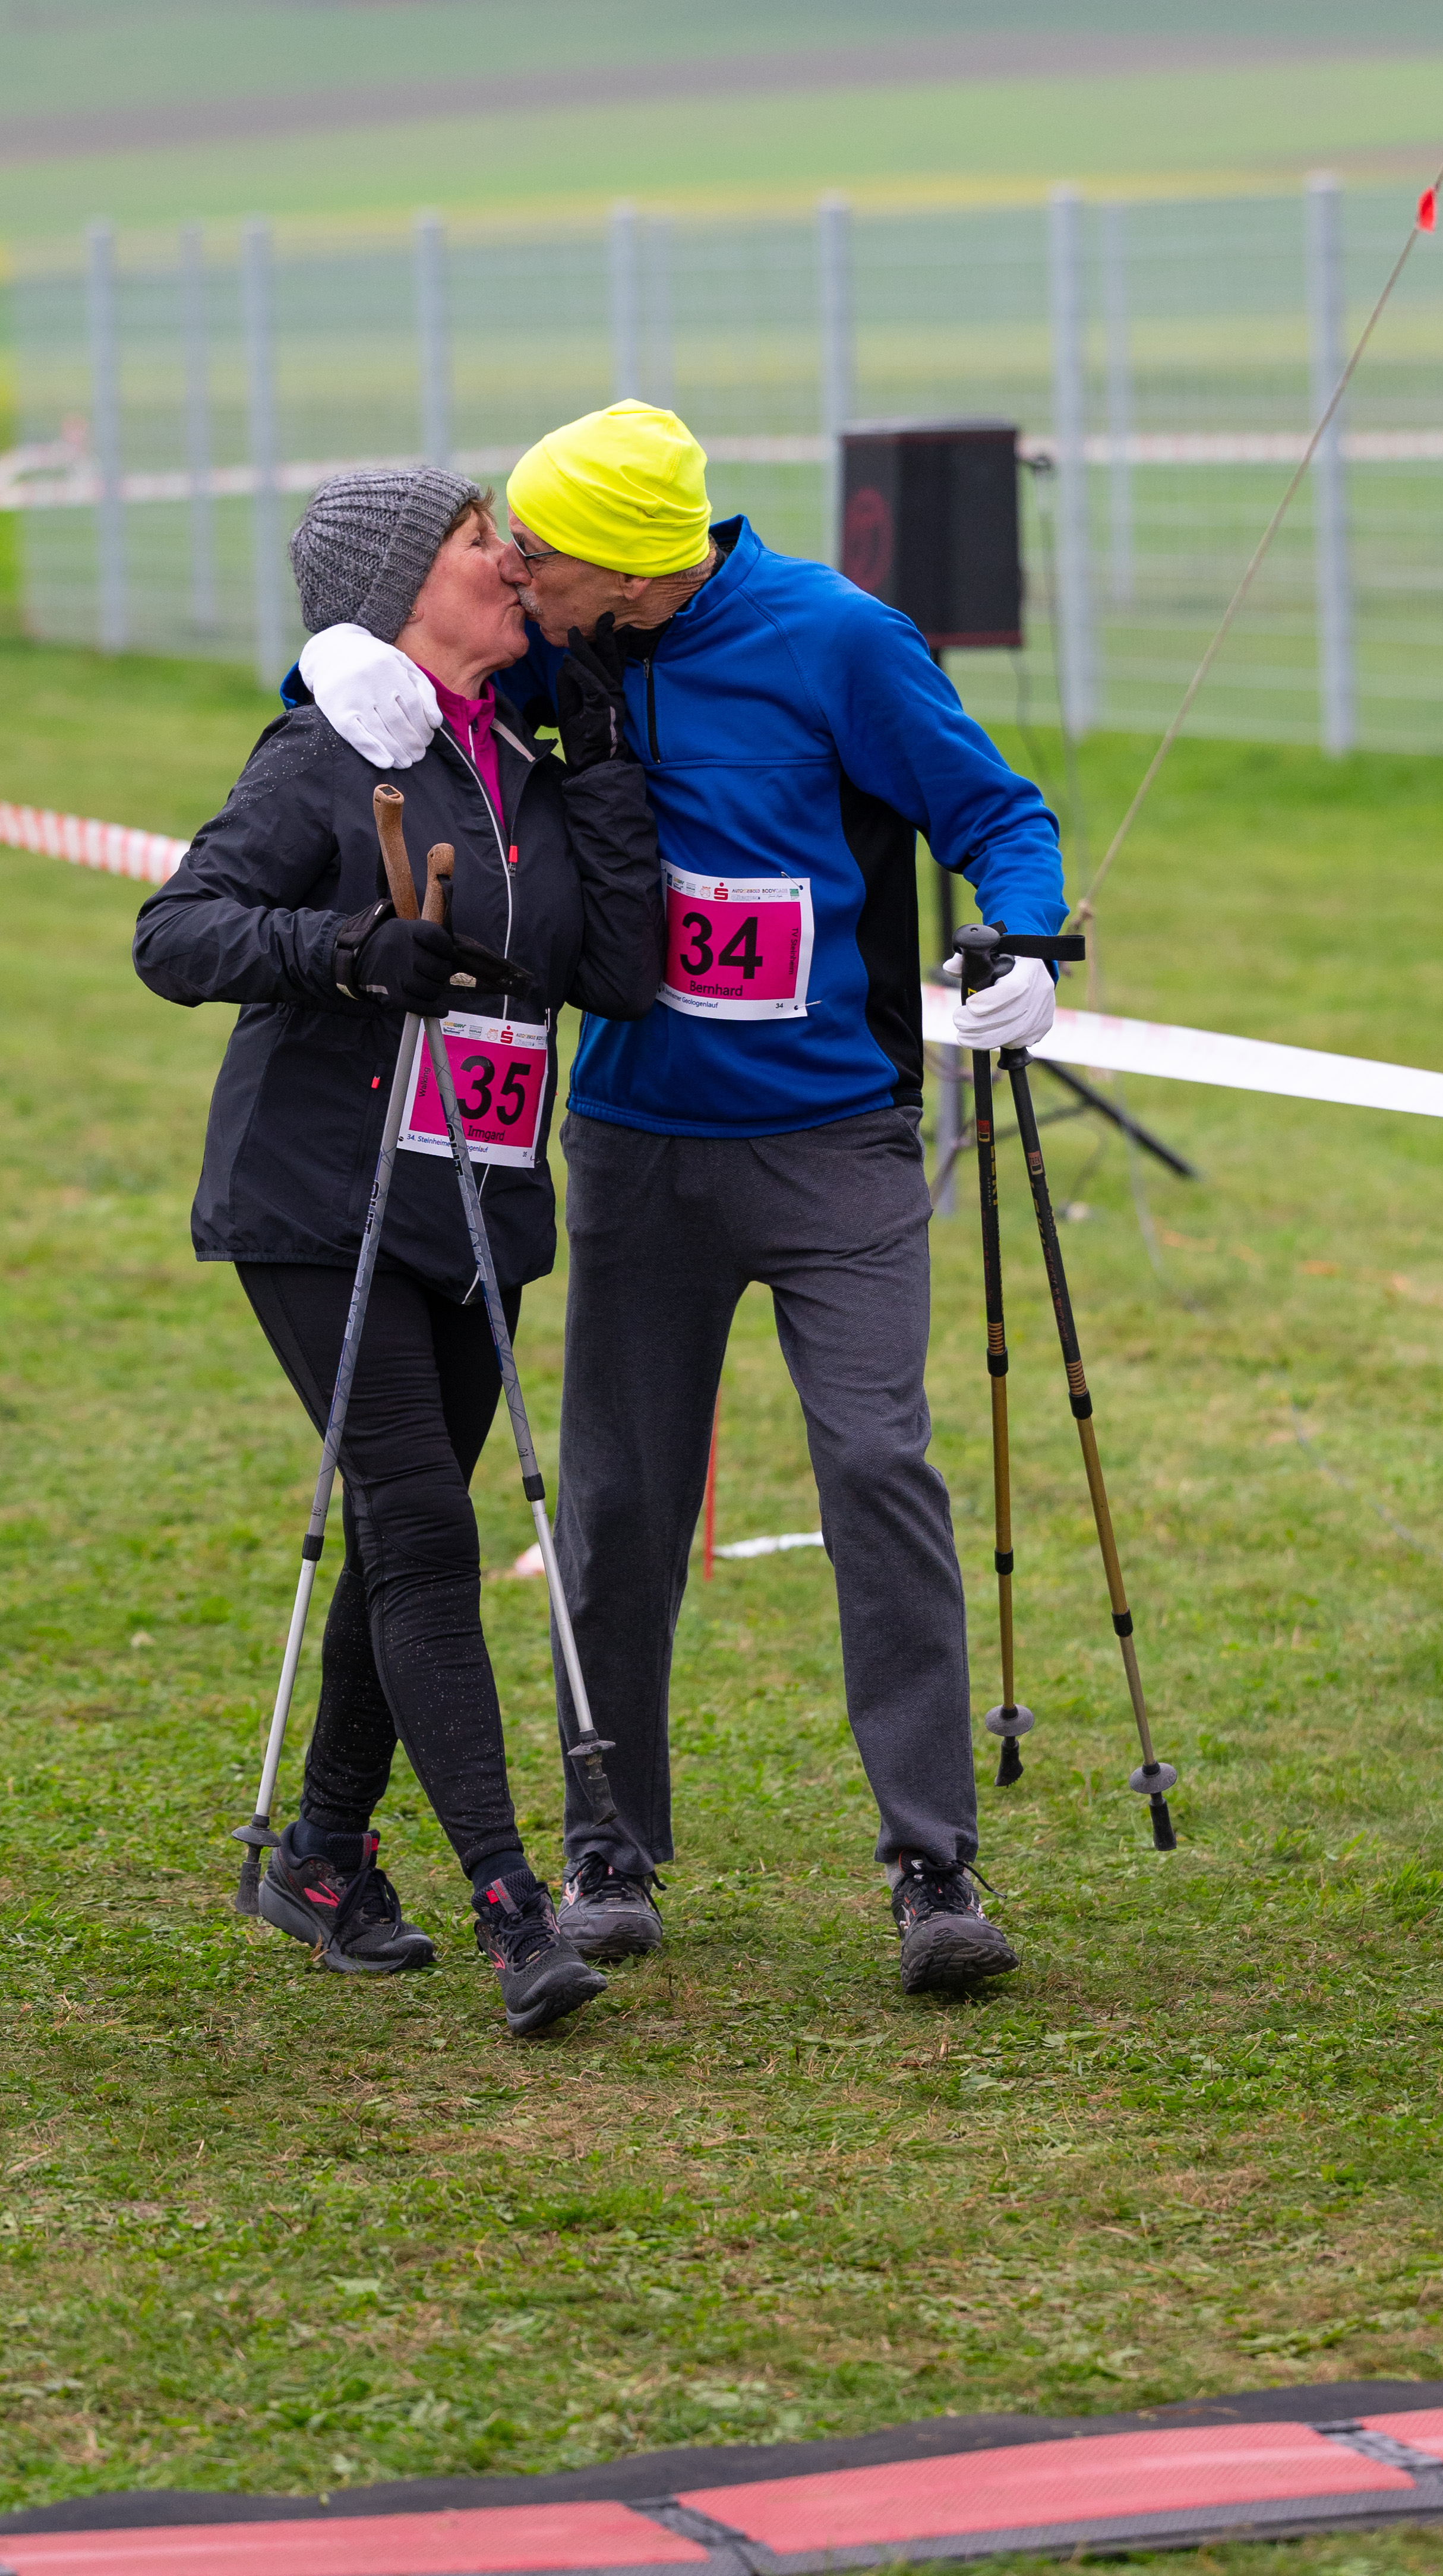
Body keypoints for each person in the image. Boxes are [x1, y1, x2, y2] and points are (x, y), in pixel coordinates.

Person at [296, 403, 1067, 1997]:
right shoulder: (553, 647)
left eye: (542, 553)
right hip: (637, 1148)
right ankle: (609, 1849)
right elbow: (385, 699)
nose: (514, 572)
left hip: (837, 1145)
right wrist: (327, 669)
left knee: (878, 1468)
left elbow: (997, 812)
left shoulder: (840, 642)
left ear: (635, 569)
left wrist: (1026, 941)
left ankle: (933, 1867)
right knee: (619, 1504)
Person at [134, 465, 665, 2035]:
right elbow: (177, 934)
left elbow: (618, 971)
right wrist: (356, 952)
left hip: (475, 1204)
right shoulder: (325, 754)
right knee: (426, 1524)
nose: (510, 561)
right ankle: (512, 1906)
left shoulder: (522, 766)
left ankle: (318, 1858)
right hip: (324, 1199)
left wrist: (602, 762)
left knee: (398, 1537)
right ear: (398, 590)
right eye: (475, 541)